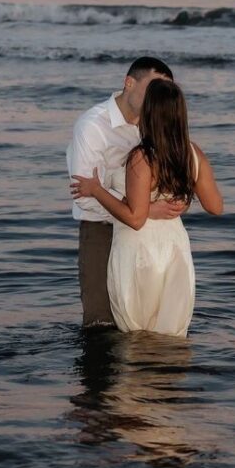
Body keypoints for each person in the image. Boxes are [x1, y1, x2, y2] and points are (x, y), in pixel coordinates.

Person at [71, 79, 223, 338]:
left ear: (150, 112)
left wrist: (96, 190)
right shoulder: (193, 153)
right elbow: (216, 207)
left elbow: (135, 218)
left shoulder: (142, 157)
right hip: (175, 251)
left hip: (140, 251)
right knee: (170, 333)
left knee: (135, 333)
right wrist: (184, 199)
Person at [66, 58, 186, 329]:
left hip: (146, 238)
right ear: (128, 82)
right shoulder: (93, 126)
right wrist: (142, 211)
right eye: (153, 87)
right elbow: (84, 196)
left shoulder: (155, 125)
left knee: (144, 322)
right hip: (103, 232)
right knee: (101, 323)